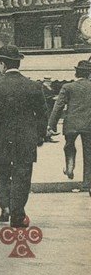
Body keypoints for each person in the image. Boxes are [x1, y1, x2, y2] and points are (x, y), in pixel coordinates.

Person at [0, 45, 49, 227]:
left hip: (0, 138)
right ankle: (17, 214)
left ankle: (5, 207)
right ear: (18, 63)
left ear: (2, 64)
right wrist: (40, 136)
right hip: (26, 139)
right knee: (22, 175)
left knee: (2, 174)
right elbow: (42, 114)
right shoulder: (33, 86)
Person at [48, 58, 91, 197]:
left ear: (76, 74)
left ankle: (70, 166)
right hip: (88, 124)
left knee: (69, 145)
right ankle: (87, 183)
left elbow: (58, 107)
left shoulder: (67, 87)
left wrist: (51, 125)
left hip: (71, 124)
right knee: (89, 153)